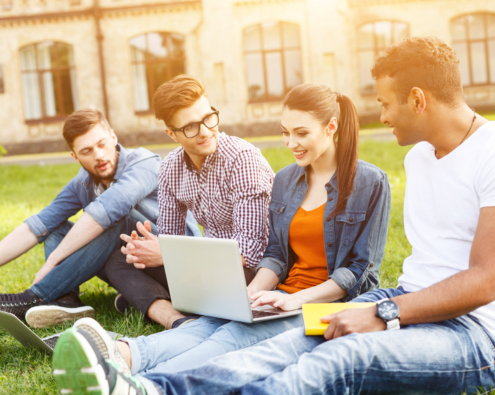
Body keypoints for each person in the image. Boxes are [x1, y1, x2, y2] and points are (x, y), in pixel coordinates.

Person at [53, 36, 495, 395]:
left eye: (385, 103)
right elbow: (278, 255)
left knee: (338, 357)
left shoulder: (487, 154)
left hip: (472, 331)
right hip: (403, 299)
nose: (379, 116)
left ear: (417, 99)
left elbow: (485, 280)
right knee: (283, 344)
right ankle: (149, 388)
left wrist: (384, 313)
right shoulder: (420, 157)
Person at [51, 81, 392, 394]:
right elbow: (276, 253)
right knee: (209, 324)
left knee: (231, 334)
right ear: (173, 134)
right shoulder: (288, 179)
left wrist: (295, 300)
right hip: (277, 291)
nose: (289, 144)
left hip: (326, 304)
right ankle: (121, 355)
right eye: (285, 132)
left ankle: (143, 387)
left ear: (331, 127)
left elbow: (360, 271)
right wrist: (256, 290)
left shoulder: (370, 183)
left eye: (300, 133)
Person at [0, 108, 199, 328]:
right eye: (86, 151)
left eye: (102, 144)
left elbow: (108, 210)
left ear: (113, 137)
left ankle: (36, 297)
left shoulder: (145, 163)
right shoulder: (82, 183)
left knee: (117, 220)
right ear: (75, 156)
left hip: (180, 264)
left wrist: (52, 261)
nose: (99, 155)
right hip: (129, 263)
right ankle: (66, 299)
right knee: (55, 227)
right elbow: (38, 224)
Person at [104, 74, 275, 328]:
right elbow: (171, 236)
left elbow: (249, 253)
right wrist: (151, 250)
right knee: (120, 259)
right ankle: (178, 319)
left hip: (252, 272)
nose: (205, 132)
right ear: (172, 134)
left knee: (205, 275)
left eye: (208, 118)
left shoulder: (243, 160)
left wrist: (167, 254)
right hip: (208, 266)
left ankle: (152, 299)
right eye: (190, 127)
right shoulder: (171, 167)